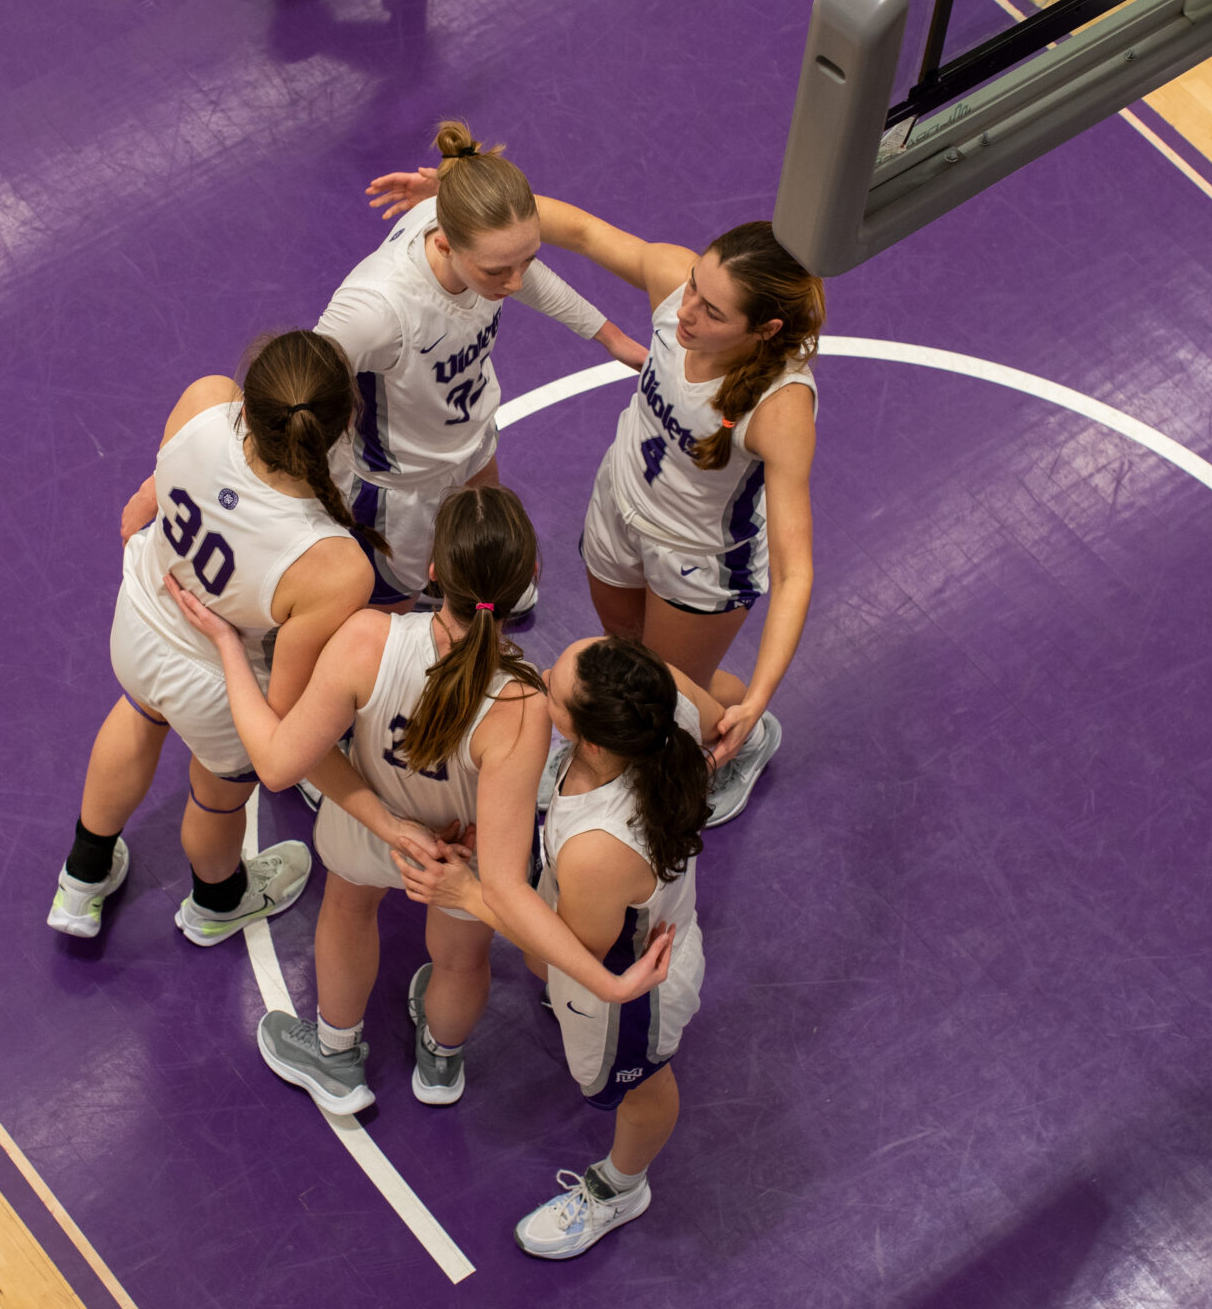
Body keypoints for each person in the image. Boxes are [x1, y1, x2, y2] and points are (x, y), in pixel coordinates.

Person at [169, 486, 668, 1114]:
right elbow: (509, 887)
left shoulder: (365, 641)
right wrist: (607, 981)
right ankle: (440, 1061)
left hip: (368, 824)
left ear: (433, 572)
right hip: (458, 859)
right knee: (460, 962)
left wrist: (226, 648)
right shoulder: (523, 707)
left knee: (348, 913)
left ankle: (334, 1053)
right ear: (531, 580)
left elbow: (277, 763)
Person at [371, 170, 817, 824]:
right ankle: (716, 710)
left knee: (659, 690)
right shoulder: (675, 280)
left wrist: (766, 687)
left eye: (713, 311)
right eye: (695, 286)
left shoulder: (779, 408)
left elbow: (794, 567)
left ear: (765, 328)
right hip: (619, 508)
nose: (686, 309)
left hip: (698, 555)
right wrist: (463, 199)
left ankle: (746, 733)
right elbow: (576, 229)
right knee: (629, 651)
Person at [51, 330, 377, 946]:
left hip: (143, 619)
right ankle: (217, 902)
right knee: (218, 799)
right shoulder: (333, 564)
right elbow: (282, 708)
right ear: (339, 430)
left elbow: (151, 492)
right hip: (218, 686)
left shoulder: (204, 402)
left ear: (250, 401)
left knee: (138, 716)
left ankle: (81, 878)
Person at [405, 636, 712, 1259]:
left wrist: (469, 894)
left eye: (555, 688)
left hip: (625, 987)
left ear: (592, 742)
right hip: (609, 913)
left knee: (642, 1087)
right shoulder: (661, 706)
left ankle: (621, 1188)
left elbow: (565, 955)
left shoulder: (601, 850)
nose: (542, 674)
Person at [325, 122, 642, 613]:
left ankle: (465, 581)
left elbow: (523, 274)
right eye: (497, 271)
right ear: (445, 241)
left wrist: (611, 337)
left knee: (484, 530)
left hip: (470, 435)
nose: (514, 282)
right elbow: (299, 385)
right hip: (397, 485)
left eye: (525, 261)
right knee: (393, 610)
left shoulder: (488, 249)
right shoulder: (376, 310)